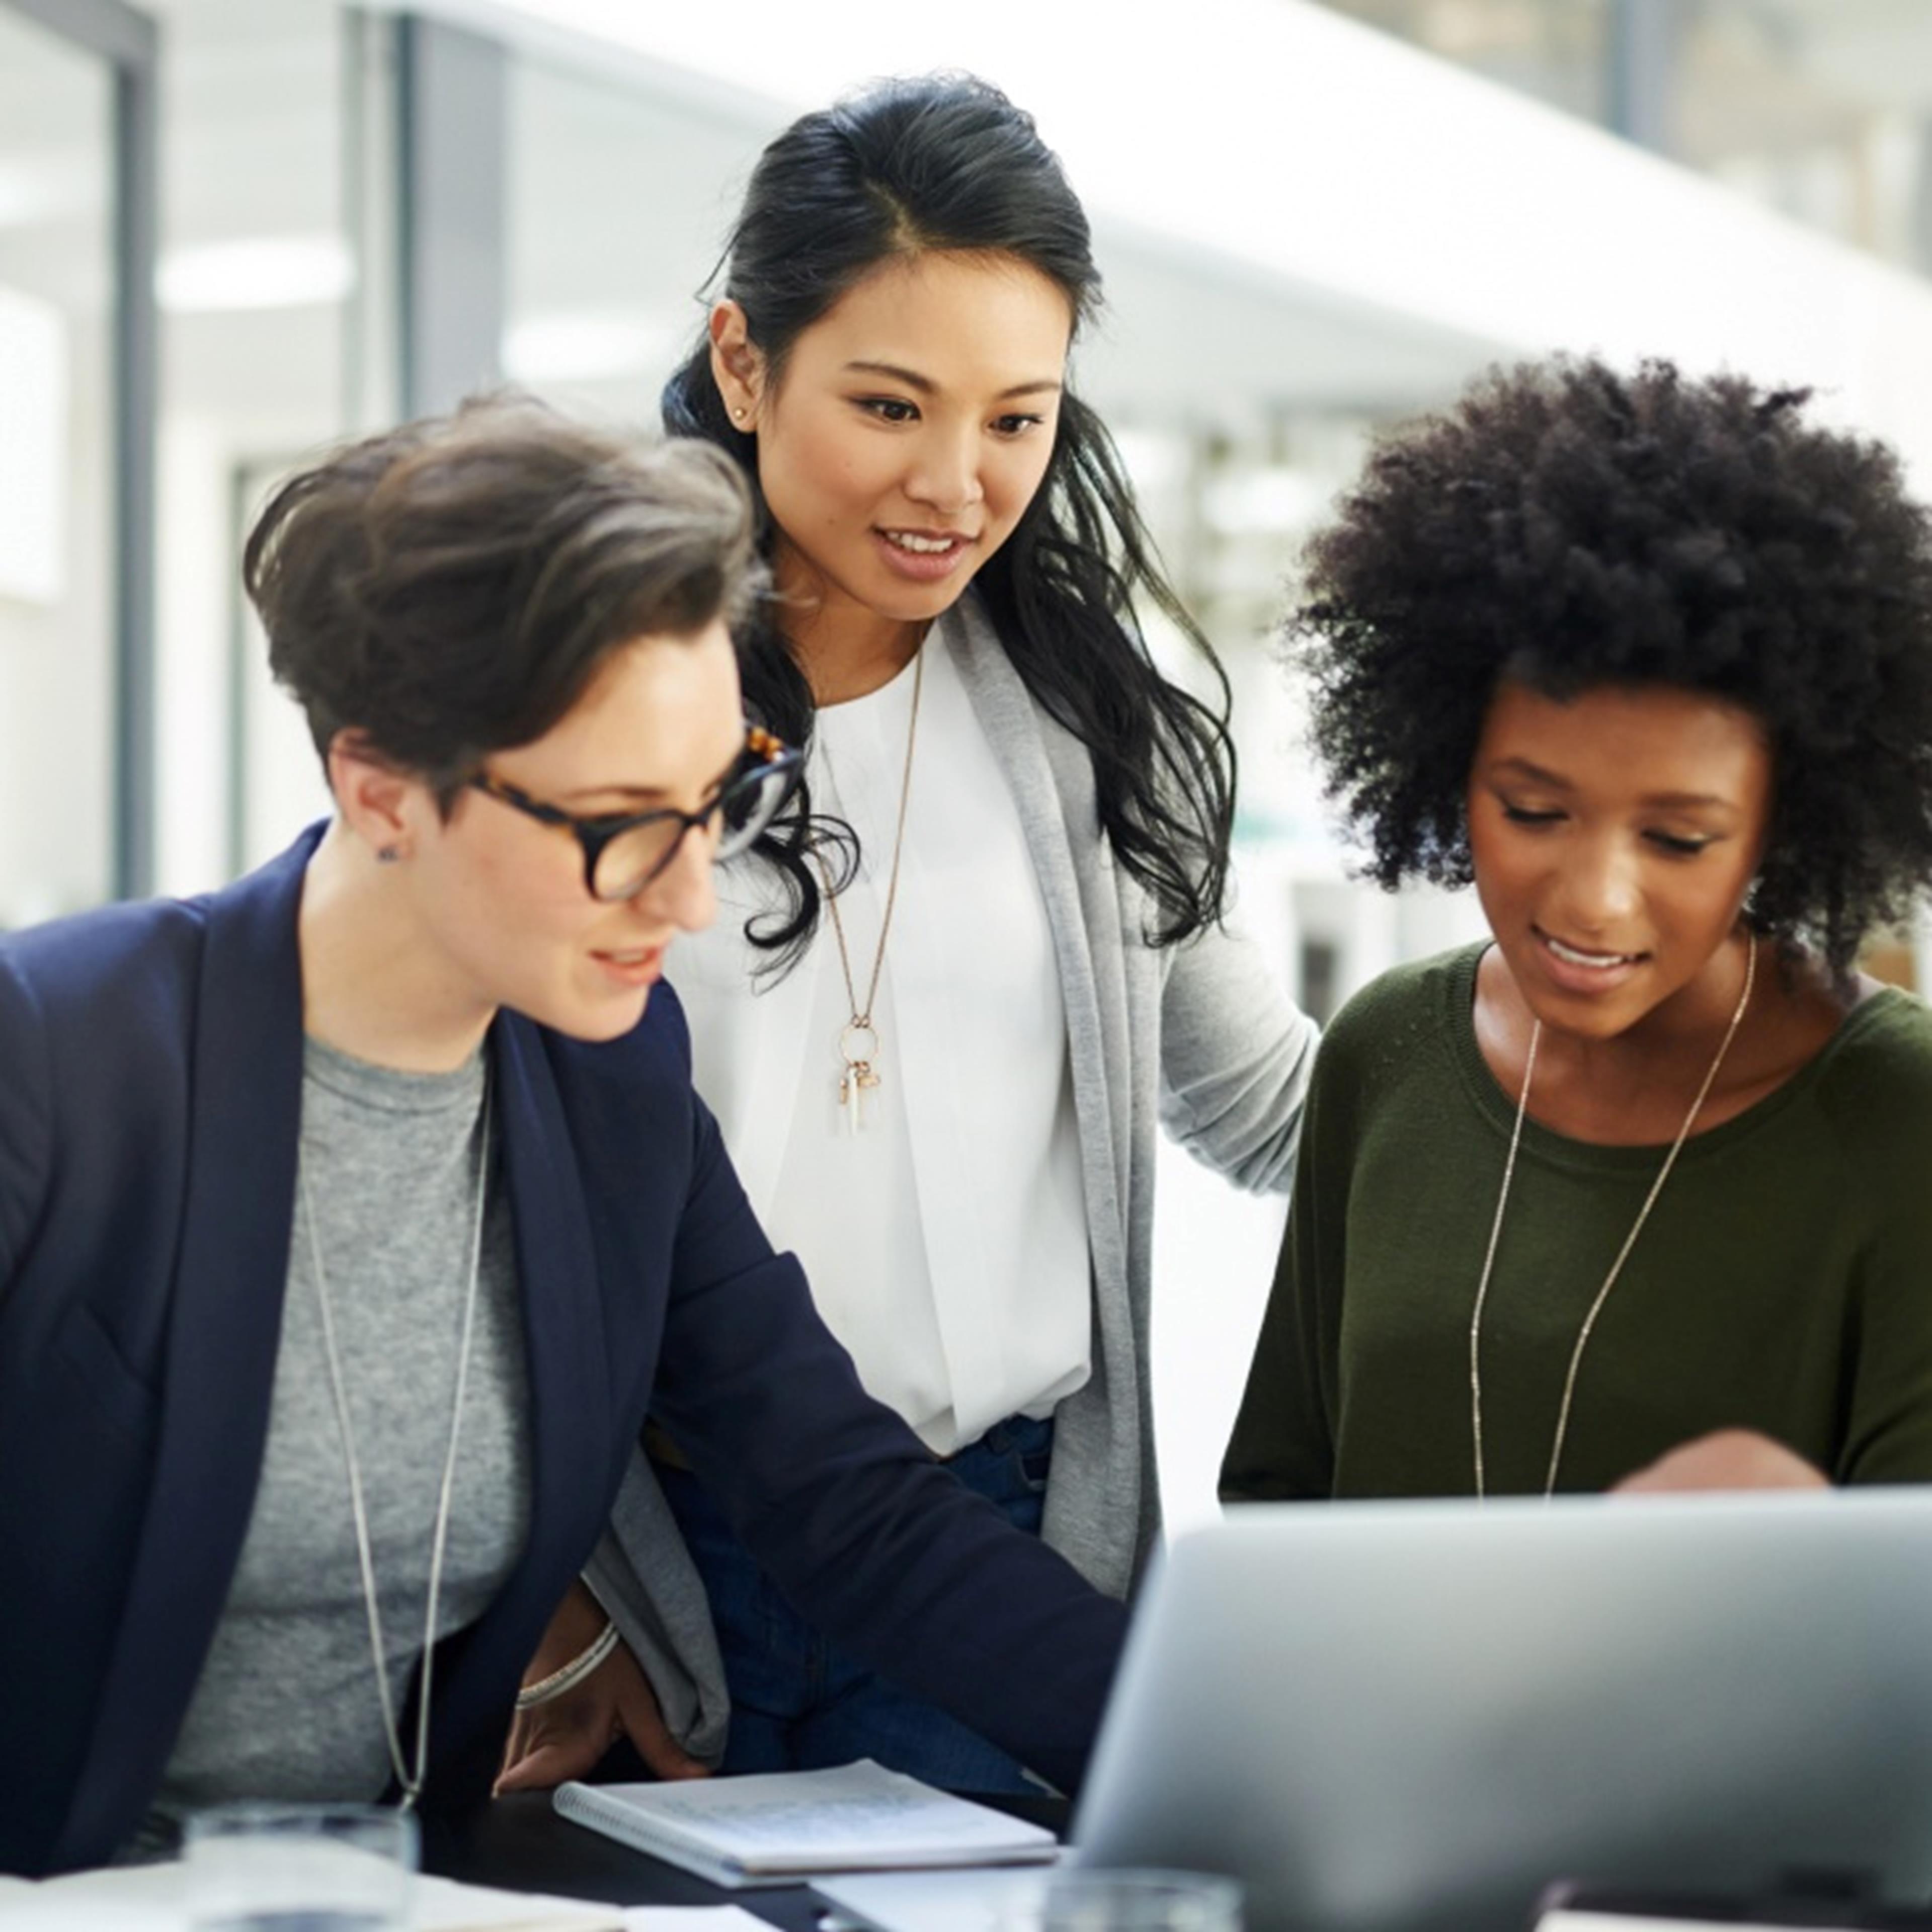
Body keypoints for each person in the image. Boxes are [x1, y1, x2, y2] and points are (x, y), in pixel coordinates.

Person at [0, 399, 1129, 1880]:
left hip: (407, 1896)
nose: (688, 901)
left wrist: (1244, 1748)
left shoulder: (609, 1084)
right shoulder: (56, 1060)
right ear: (381, 789)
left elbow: (842, 1504)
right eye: (617, 828)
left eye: (713, 805)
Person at [501, 73, 1317, 1795]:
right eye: (890, 404)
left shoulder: (1096, 725)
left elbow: (1272, 1109)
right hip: (659, 1565)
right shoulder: (580, 707)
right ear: (743, 363)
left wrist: (1628, 1049)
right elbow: (465, 1179)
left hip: (1002, 1554)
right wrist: (567, 1599)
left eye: (1018, 420)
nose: (957, 483)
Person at [1220, 356, 1932, 1505]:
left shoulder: (1900, 1116)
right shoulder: (1386, 1053)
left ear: (1781, 828)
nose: (1594, 899)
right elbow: (1278, 1497)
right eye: (1534, 811)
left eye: (1680, 839)